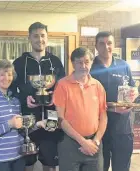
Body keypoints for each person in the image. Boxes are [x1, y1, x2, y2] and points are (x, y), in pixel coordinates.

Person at [10, 22, 65, 171]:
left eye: (42, 36)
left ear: (47, 38)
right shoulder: (19, 63)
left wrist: (55, 97)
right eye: (35, 36)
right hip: (27, 117)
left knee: (51, 162)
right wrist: (24, 99)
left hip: (51, 115)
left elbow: (63, 87)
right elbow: (11, 90)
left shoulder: (56, 61)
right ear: (29, 38)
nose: (39, 39)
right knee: (28, 162)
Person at [0, 59, 47, 171]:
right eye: (2, 74)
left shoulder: (15, 101)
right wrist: (9, 124)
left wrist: (37, 125)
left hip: (18, 157)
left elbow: (21, 130)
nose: (6, 78)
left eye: (9, 74)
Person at [53, 47, 107, 171]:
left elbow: (103, 116)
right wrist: (83, 142)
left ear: (92, 62)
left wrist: (96, 141)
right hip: (69, 143)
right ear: (73, 63)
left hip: (94, 144)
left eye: (87, 62)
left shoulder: (98, 86)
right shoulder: (62, 85)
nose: (83, 66)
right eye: (79, 62)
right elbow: (60, 118)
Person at [91, 31, 138, 171]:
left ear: (114, 44)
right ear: (96, 46)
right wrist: (111, 109)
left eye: (109, 43)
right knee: (100, 167)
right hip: (98, 130)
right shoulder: (90, 68)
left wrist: (134, 94)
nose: (106, 47)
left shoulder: (123, 65)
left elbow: (133, 88)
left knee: (122, 167)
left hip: (123, 128)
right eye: (102, 43)